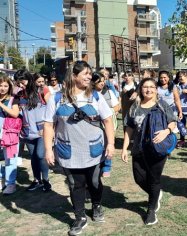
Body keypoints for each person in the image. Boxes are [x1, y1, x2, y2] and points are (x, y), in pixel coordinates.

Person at [44, 61, 115, 236]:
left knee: (94, 182)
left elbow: (107, 120)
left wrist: (111, 144)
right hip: (68, 150)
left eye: (90, 73)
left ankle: (97, 205)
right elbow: (48, 125)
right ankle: (80, 217)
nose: (89, 76)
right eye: (85, 73)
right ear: (74, 76)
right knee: (76, 184)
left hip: (94, 150)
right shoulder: (56, 98)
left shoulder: (96, 96)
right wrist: (47, 149)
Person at [121, 78, 177, 225]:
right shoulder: (135, 106)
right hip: (139, 147)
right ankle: (156, 193)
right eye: (145, 87)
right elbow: (129, 127)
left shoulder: (162, 105)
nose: (148, 90)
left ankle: (151, 210)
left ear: (156, 89)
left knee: (154, 179)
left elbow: (173, 120)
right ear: (140, 89)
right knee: (139, 178)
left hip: (157, 148)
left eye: (152, 87)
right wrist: (125, 147)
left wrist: (166, 131)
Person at [15, 70, 52, 192]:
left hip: (42, 130)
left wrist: (52, 128)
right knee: (33, 157)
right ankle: (37, 180)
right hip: (27, 131)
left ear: (29, 79)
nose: (20, 85)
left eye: (22, 82)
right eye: (18, 83)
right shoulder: (20, 95)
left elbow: (52, 109)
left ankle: (46, 180)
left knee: (41, 155)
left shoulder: (42, 90)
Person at [91, 72, 120, 177]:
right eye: (99, 82)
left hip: (107, 122)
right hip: (94, 123)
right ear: (93, 82)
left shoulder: (108, 92)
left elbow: (117, 106)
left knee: (108, 142)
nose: (102, 84)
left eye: (103, 81)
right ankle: (96, 165)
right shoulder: (88, 94)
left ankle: (107, 166)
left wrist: (108, 111)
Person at [0, 76, 20, 194]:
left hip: (9, 134)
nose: (2, 88)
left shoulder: (13, 99)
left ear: (9, 87)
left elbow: (15, 114)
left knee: (10, 159)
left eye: (5, 86)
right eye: (0, 85)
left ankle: (10, 184)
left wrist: (1, 105)